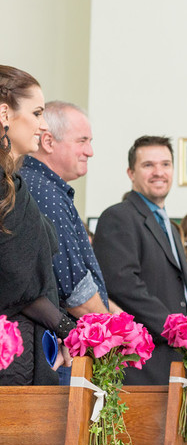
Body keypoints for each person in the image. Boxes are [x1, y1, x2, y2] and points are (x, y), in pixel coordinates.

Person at [94, 136, 187, 385]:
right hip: (141, 361)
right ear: (131, 172)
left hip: (174, 357)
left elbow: (179, 289)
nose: (159, 172)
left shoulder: (171, 227)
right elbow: (123, 286)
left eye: (165, 164)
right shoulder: (118, 217)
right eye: (148, 165)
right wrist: (173, 328)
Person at [0, 66, 73, 385]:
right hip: (9, 352)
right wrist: (70, 329)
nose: (44, 126)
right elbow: (17, 282)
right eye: (37, 113)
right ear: (5, 112)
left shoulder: (15, 183)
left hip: (30, 348)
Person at [22, 102, 116, 320]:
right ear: (48, 142)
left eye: (90, 142)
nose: (90, 152)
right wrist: (112, 334)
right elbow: (74, 291)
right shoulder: (45, 193)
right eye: (82, 141)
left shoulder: (42, 186)